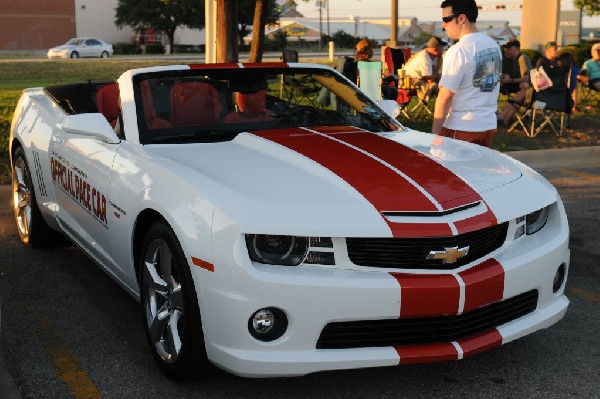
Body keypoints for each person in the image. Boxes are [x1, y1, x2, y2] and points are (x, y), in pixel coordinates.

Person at [432, 0, 502, 147]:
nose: (443, 25)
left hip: (462, 126)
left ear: (461, 18)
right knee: (476, 169)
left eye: (446, 19)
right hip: (487, 125)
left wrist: (434, 136)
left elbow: (445, 97)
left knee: (452, 169)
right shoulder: (493, 45)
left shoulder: (458, 50)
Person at [497, 40, 532, 125]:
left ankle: (505, 117)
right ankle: (492, 113)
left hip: (521, 85)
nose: (507, 51)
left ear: (517, 49)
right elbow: (502, 72)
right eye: (506, 49)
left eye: (510, 49)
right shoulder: (506, 58)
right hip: (509, 83)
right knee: (492, 86)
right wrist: (504, 76)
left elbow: (526, 78)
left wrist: (511, 80)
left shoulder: (522, 58)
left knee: (524, 86)